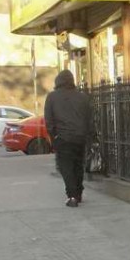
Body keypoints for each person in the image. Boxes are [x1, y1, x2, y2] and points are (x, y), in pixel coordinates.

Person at [44, 69, 92, 207]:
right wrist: (87, 134)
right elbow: (89, 117)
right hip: (80, 136)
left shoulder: (52, 97)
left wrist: (54, 138)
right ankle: (78, 192)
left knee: (66, 167)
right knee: (78, 165)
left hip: (63, 137)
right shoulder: (82, 97)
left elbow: (49, 120)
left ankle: (72, 196)